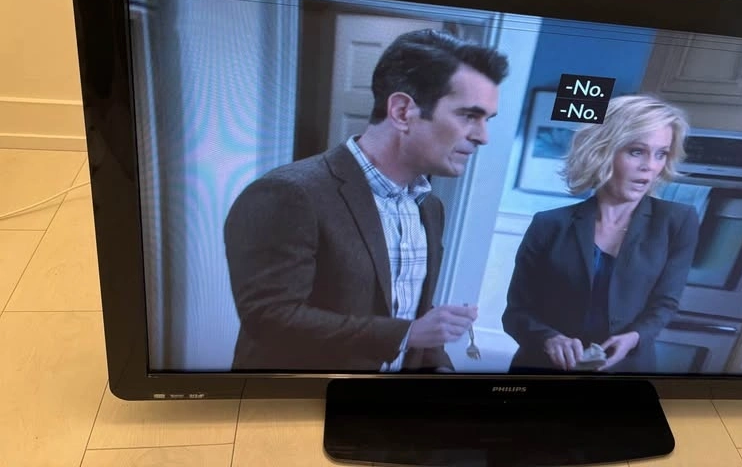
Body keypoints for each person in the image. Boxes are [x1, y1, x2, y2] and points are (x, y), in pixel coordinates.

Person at [224, 28, 509, 372]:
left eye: (487, 120)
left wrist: (438, 368)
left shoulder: (429, 207)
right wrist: (407, 334)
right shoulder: (289, 193)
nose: (483, 136)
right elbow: (270, 319)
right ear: (402, 111)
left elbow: (409, 312)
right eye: (469, 116)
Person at [502, 94, 700, 374]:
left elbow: (665, 303)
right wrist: (549, 338)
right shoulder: (549, 224)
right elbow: (516, 313)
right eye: (636, 151)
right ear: (603, 151)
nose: (650, 166)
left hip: (627, 370)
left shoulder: (677, 222)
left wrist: (634, 337)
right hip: (543, 368)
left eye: (661, 154)